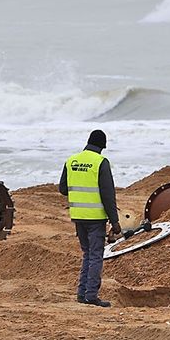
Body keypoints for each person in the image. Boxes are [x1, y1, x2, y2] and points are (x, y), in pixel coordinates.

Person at [58, 129, 123, 307]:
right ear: (103, 146)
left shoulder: (71, 161)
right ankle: (91, 295)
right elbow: (108, 195)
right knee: (96, 256)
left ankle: (82, 294)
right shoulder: (101, 162)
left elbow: (63, 189)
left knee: (87, 254)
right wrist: (115, 222)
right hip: (95, 218)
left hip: (78, 216)